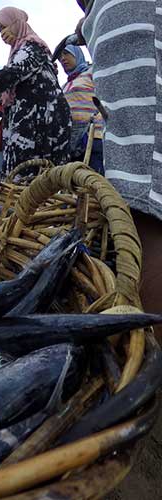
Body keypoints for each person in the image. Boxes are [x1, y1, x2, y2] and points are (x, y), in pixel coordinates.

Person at [72, 0, 161, 316]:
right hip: (115, 19)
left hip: (132, 18)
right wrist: (88, 22)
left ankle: (152, 339)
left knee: (146, 201)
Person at [0, 7, 71, 175]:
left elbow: (15, 73)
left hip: (42, 120)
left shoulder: (33, 45)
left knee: (36, 175)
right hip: (31, 119)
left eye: (4, 27)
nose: (2, 33)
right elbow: (13, 87)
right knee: (24, 175)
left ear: (17, 23)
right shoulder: (19, 51)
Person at [57, 44, 104, 174]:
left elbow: (106, 96)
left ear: (77, 54)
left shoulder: (92, 72)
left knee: (95, 182)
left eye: (66, 53)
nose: (62, 59)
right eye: (60, 56)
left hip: (93, 136)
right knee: (77, 185)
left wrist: (96, 119)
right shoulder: (65, 84)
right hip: (73, 141)